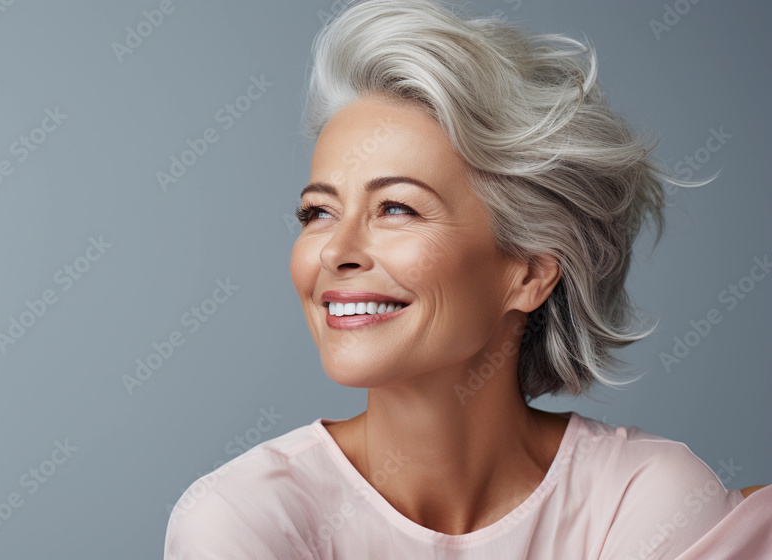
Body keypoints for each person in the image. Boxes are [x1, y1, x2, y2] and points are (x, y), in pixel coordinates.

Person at [164, 1, 770, 557]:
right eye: (317, 212)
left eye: (396, 208)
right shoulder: (242, 519)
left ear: (528, 272)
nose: (335, 253)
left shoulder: (643, 498)